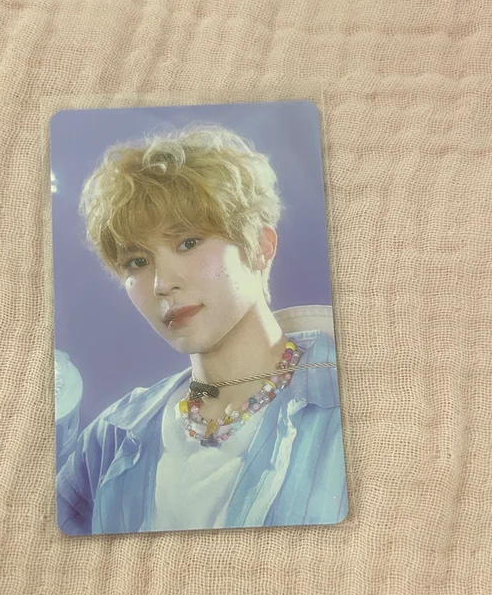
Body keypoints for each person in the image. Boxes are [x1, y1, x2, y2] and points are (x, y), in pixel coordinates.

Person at [56, 125, 348, 535]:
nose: (162, 284)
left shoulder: (353, 401)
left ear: (260, 247)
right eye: (137, 262)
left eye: (188, 242)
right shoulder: (112, 436)